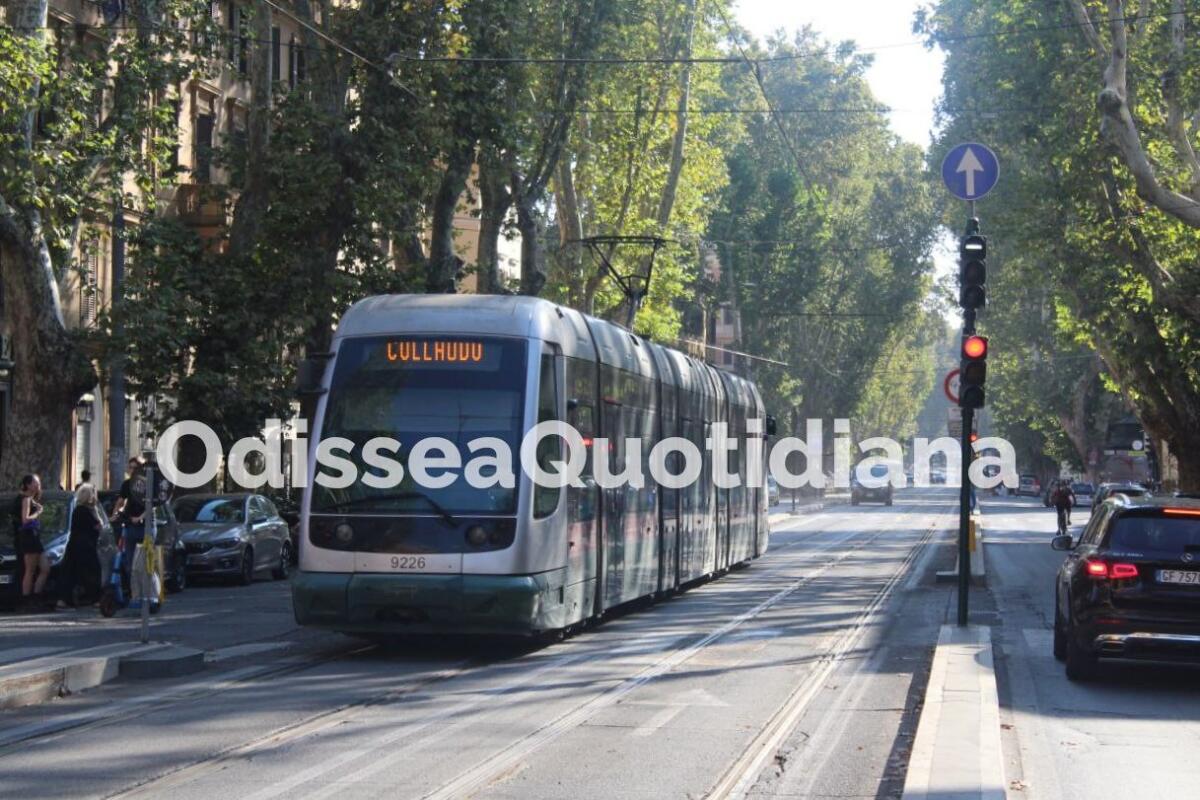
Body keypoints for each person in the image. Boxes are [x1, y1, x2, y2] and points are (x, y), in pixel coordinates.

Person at [59, 484, 104, 608]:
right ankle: (94, 597)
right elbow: (96, 526)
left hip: (77, 544)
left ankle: (68, 598)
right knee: (91, 571)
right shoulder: (83, 511)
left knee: (72, 571)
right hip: (85, 546)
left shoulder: (82, 510)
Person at [13, 474, 53, 611]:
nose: (38, 486)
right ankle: (27, 600)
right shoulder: (25, 499)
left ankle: (36, 597)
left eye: (39, 483)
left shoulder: (30, 499)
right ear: (28, 485)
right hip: (29, 537)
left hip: (35, 537)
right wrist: (38, 513)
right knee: (29, 571)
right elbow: (25, 519)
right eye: (35, 483)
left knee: (45, 568)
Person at [112, 457, 147, 594]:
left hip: (146, 526)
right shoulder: (127, 484)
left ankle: (148, 593)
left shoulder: (147, 484)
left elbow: (152, 507)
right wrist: (115, 514)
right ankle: (134, 591)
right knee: (129, 562)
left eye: (135, 467)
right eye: (130, 467)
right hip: (130, 525)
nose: (132, 470)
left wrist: (140, 518)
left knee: (144, 562)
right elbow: (120, 502)